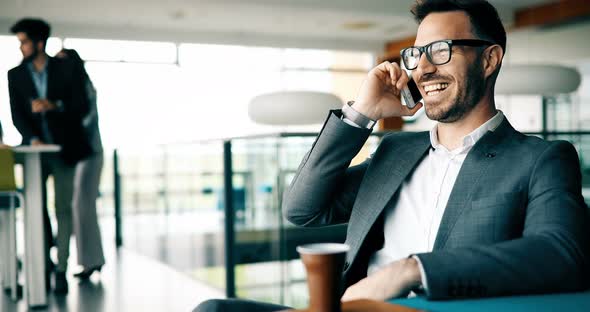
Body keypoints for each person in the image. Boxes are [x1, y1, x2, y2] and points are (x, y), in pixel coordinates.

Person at [194, 0, 590, 311]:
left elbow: (562, 253)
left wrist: (410, 270)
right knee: (214, 309)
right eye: (416, 54)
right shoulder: (395, 152)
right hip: (352, 308)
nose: (424, 69)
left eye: (441, 50)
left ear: (489, 60)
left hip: (427, 308)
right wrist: (361, 114)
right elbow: (302, 209)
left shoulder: (540, 158)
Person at [8, 18, 92, 294]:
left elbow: (81, 106)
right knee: (37, 208)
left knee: (63, 209)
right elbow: (17, 116)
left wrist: (54, 105)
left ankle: (61, 269)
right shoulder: (15, 75)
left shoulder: (66, 69)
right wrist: (32, 138)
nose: (21, 47)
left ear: (40, 43)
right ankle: (43, 263)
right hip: (35, 152)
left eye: (24, 42)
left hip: (65, 149)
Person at [55, 48, 106, 279]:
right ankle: (90, 261)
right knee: (81, 207)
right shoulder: (75, 89)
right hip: (83, 155)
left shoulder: (84, 89)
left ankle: (92, 261)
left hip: (91, 154)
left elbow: (84, 122)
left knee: (83, 207)